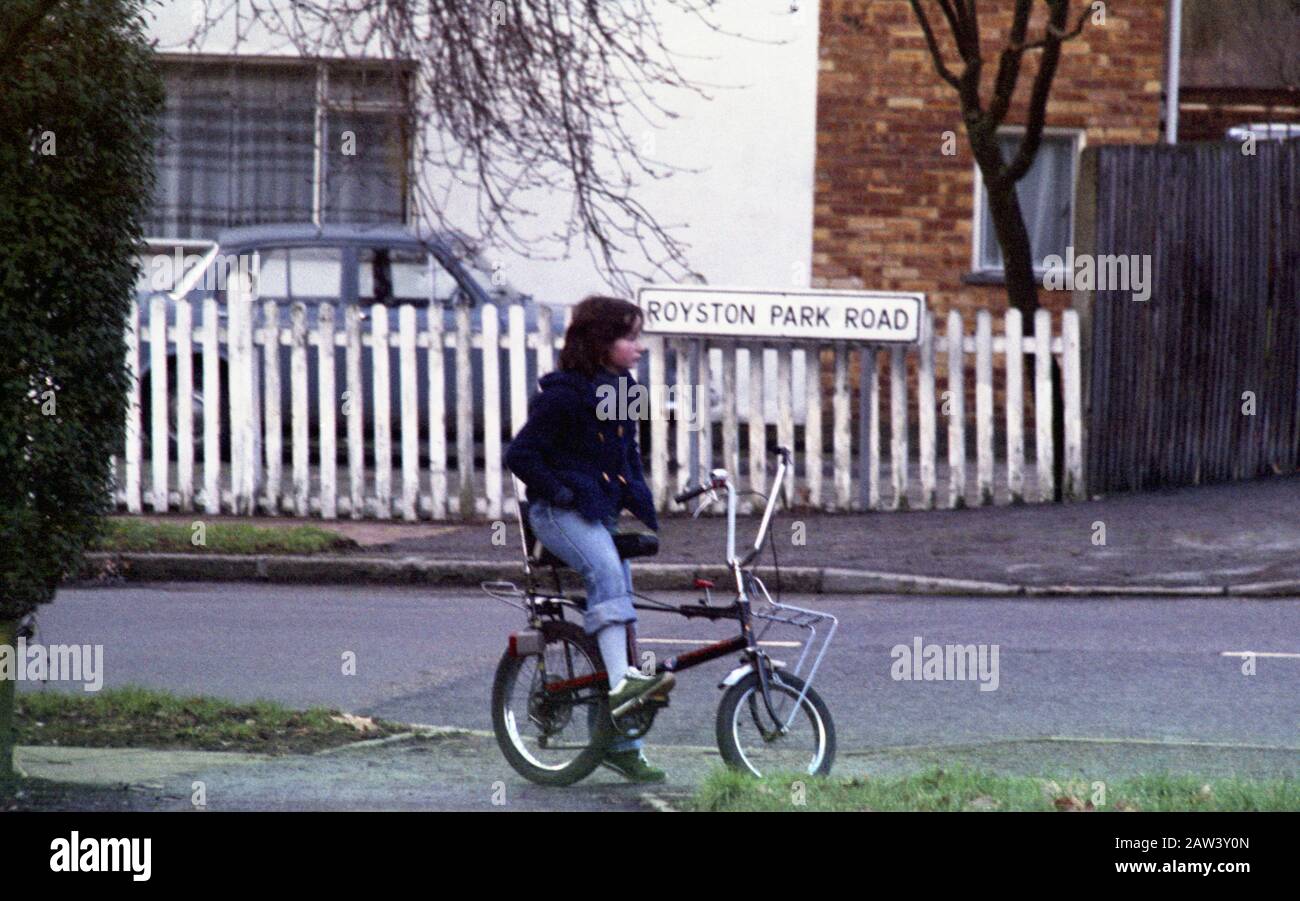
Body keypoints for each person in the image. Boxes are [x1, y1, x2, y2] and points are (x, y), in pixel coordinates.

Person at [503, 295, 675, 783]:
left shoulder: (625, 388)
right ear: (600, 343)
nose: (639, 348)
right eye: (629, 337)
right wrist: (561, 491)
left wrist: (633, 496)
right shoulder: (562, 395)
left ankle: (622, 744)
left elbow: (628, 452)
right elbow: (521, 455)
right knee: (604, 572)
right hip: (556, 513)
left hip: (598, 513)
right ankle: (622, 683)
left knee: (622, 607)